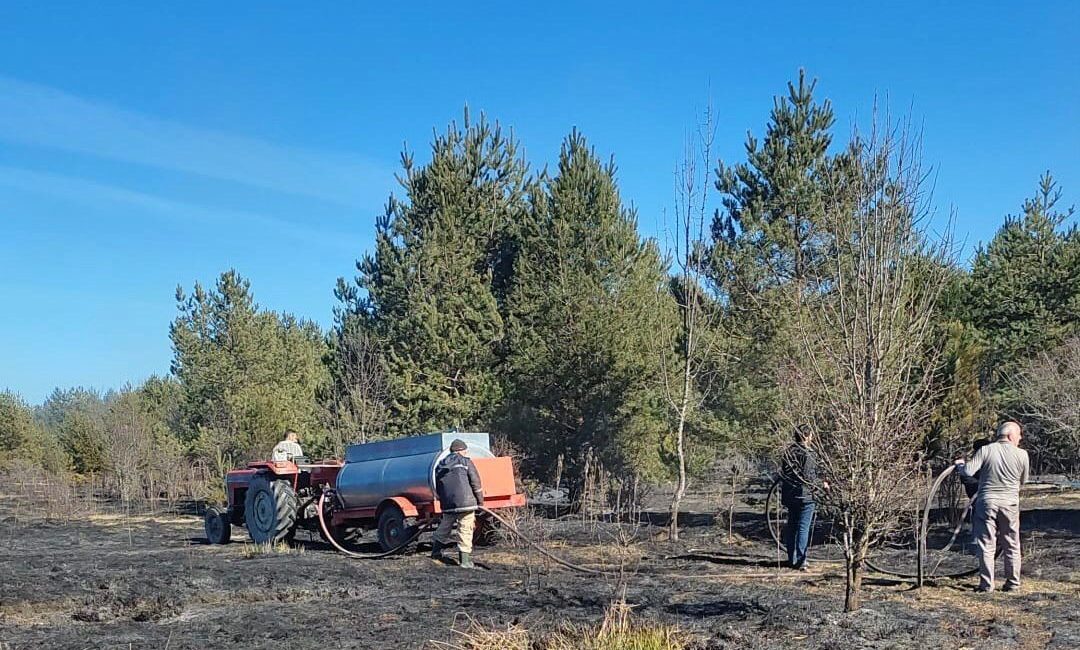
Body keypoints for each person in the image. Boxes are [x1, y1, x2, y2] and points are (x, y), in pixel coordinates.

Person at [955, 421, 1030, 593]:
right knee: (1011, 544)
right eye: (1019, 435)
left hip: (987, 502)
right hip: (1010, 503)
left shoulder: (986, 450)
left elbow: (967, 472)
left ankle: (987, 585)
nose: (1020, 438)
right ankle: (1013, 584)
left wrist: (960, 466)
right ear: (1011, 436)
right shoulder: (1022, 454)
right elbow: (1023, 481)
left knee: (986, 544)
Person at [431, 439, 485, 569]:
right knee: (465, 529)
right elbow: (475, 483)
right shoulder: (466, 462)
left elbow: (438, 487)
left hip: (448, 504)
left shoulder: (440, 465)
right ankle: (464, 561)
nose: (467, 453)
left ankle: (435, 552)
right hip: (466, 503)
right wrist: (480, 501)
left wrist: (443, 501)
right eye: (466, 451)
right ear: (460, 451)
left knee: (445, 526)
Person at [779, 427, 823, 571]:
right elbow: (809, 477)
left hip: (790, 494)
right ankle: (801, 560)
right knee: (803, 527)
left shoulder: (788, 452)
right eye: (811, 435)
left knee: (792, 526)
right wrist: (822, 484)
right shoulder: (808, 453)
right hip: (805, 495)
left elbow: (785, 473)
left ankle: (792, 558)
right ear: (806, 436)